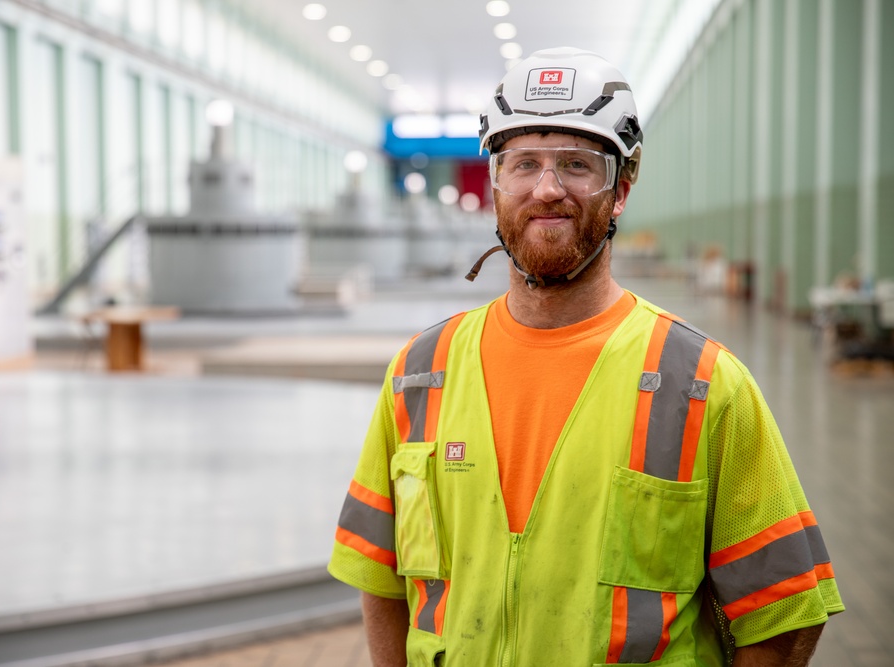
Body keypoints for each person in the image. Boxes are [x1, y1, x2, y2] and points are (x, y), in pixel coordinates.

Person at [327, 47, 843, 666]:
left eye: (577, 164)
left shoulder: (703, 383)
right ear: (495, 183)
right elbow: (381, 580)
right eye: (523, 164)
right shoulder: (420, 372)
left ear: (621, 188)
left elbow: (784, 613)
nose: (546, 189)